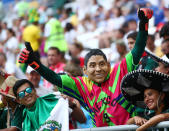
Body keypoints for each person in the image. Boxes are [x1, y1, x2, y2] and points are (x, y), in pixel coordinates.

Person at [18, 8, 153, 127]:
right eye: (92, 66)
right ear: (85, 70)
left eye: (101, 64)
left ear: (108, 65)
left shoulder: (118, 71)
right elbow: (54, 78)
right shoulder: (82, 85)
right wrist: (34, 63)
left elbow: (137, 49)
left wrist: (143, 24)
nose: (98, 69)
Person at [13, 79, 86, 130]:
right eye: (21, 94)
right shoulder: (23, 119)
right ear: (18, 100)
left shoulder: (54, 100)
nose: (26, 94)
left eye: (28, 90)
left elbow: (82, 119)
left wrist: (71, 104)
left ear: (34, 90)